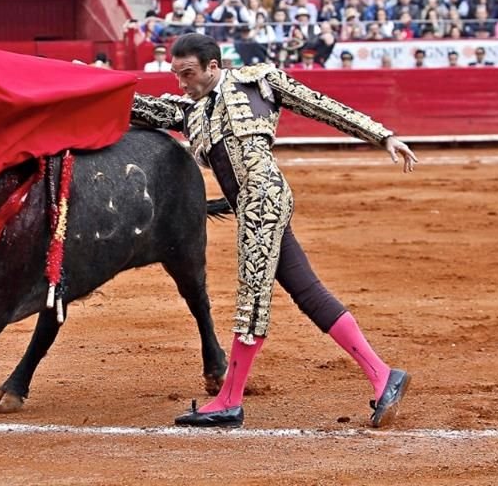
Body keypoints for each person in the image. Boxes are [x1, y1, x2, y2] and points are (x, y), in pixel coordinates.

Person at [130, 33, 416, 429]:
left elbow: (322, 106)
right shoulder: (188, 112)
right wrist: (83, 81)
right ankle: (383, 375)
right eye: (176, 75)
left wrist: (382, 134)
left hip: (263, 198)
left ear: (213, 66)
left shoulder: (257, 81)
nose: (181, 83)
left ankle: (229, 400)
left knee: (252, 299)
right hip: (250, 204)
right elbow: (135, 108)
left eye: (188, 73)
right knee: (307, 291)